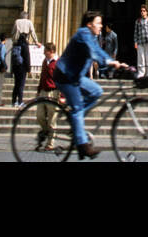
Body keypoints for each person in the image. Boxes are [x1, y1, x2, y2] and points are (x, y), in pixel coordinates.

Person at [53, 10, 126, 158]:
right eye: (98, 23)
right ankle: (82, 145)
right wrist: (110, 62)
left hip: (77, 76)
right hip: (66, 75)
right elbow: (93, 52)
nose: (101, 26)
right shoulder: (83, 33)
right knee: (78, 107)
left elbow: (99, 51)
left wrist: (112, 62)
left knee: (97, 91)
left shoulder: (93, 37)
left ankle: (75, 119)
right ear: (89, 24)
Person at [34, 42, 61, 151]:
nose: (44, 52)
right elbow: (42, 77)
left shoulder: (58, 63)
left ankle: (50, 144)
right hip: (43, 92)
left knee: (52, 120)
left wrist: (62, 95)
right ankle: (46, 132)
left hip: (53, 93)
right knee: (39, 116)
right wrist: (39, 90)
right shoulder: (45, 61)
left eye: (46, 51)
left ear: (51, 51)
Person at [9, 11, 39, 107]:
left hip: (16, 62)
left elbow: (13, 32)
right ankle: (20, 101)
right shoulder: (29, 22)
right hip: (22, 65)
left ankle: (14, 101)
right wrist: (37, 42)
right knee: (21, 83)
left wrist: (14, 40)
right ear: (26, 17)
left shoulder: (16, 22)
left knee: (16, 83)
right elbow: (33, 33)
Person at [133, 5, 148, 79]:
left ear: (147, 12)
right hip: (140, 42)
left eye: (144, 11)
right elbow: (136, 32)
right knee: (141, 58)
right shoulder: (138, 21)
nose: (142, 12)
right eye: (141, 11)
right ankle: (141, 73)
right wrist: (135, 42)